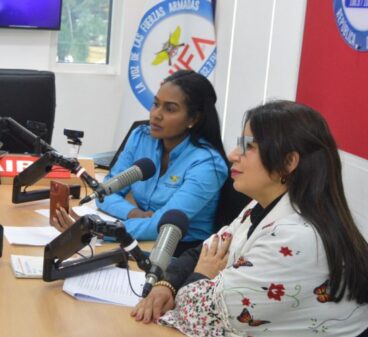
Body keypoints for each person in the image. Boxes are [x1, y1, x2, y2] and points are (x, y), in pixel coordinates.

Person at [132, 101, 368, 336]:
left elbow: (194, 314)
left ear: (288, 163)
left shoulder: (296, 237)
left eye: (249, 147)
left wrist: (202, 275)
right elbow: (203, 252)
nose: (234, 155)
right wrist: (167, 284)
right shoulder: (260, 206)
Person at [51, 70, 229, 255]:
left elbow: (162, 225)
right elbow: (104, 193)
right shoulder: (142, 137)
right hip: (136, 237)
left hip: (180, 252)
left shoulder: (208, 164)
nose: (156, 115)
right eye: (156, 104)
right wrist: (133, 213)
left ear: (193, 119)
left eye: (170, 109)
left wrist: (94, 230)